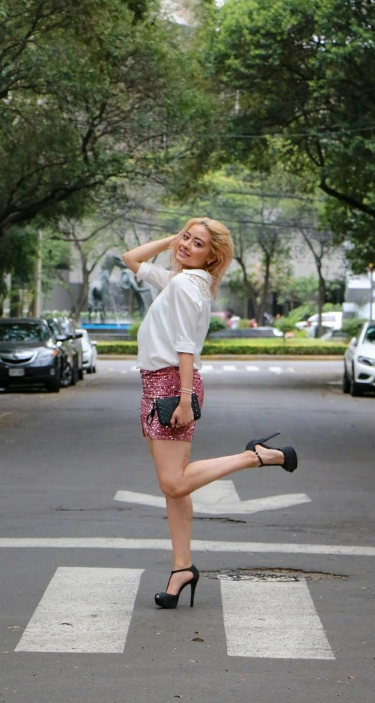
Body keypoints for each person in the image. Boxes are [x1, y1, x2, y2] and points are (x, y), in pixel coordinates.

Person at [122, 218, 297, 610]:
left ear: (211, 255)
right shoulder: (182, 281)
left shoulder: (184, 284)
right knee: (175, 488)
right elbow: (131, 258)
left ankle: (256, 456)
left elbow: (186, 346)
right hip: (158, 384)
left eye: (197, 243)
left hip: (170, 385)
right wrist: (178, 240)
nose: (185, 245)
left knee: (173, 483)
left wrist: (184, 399)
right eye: (186, 237)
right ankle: (181, 568)